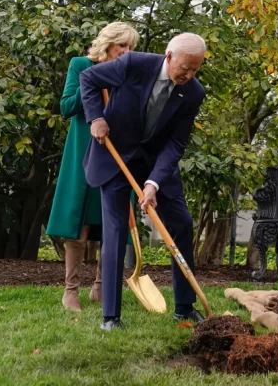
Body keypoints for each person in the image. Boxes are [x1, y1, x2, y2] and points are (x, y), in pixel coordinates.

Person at [80, 32, 206, 331]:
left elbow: (175, 144)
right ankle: (111, 317)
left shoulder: (193, 93)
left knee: (181, 224)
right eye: (184, 68)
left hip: (155, 165)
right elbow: (89, 79)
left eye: (195, 70)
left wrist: (153, 184)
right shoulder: (133, 64)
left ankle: (185, 308)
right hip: (116, 157)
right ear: (169, 56)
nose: (188, 75)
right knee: (115, 230)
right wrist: (95, 117)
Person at [46, 22, 139, 312]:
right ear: (107, 44)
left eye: (131, 48)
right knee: (80, 220)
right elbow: (66, 107)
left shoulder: (129, 72)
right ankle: (70, 290)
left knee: (112, 219)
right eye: (121, 46)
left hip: (117, 151)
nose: (126, 52)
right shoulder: (81, 65)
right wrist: (94, 81)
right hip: (83, 150)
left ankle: (100, 287)